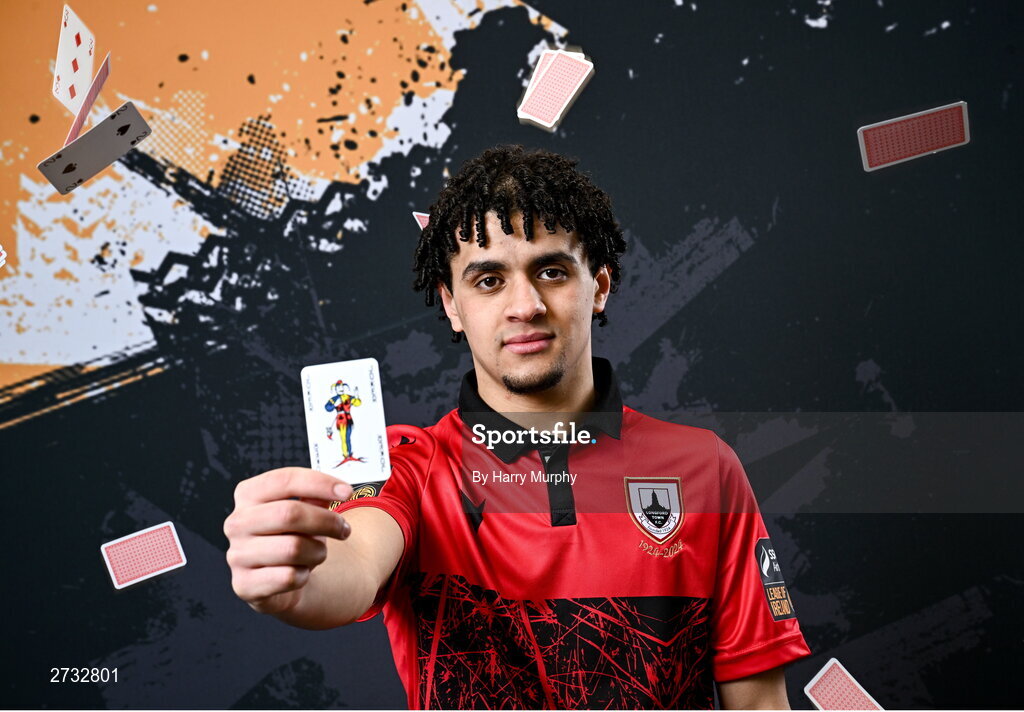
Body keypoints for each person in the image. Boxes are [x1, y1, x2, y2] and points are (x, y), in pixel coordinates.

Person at [224, 145, 811, 709]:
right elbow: (352, 567)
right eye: (488, 280)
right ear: (452, 304)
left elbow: (759, 703)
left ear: (599, 285)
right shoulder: (411, 466)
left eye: (551, 271)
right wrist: (296, 576)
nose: (524, 305)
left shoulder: (704, 467)